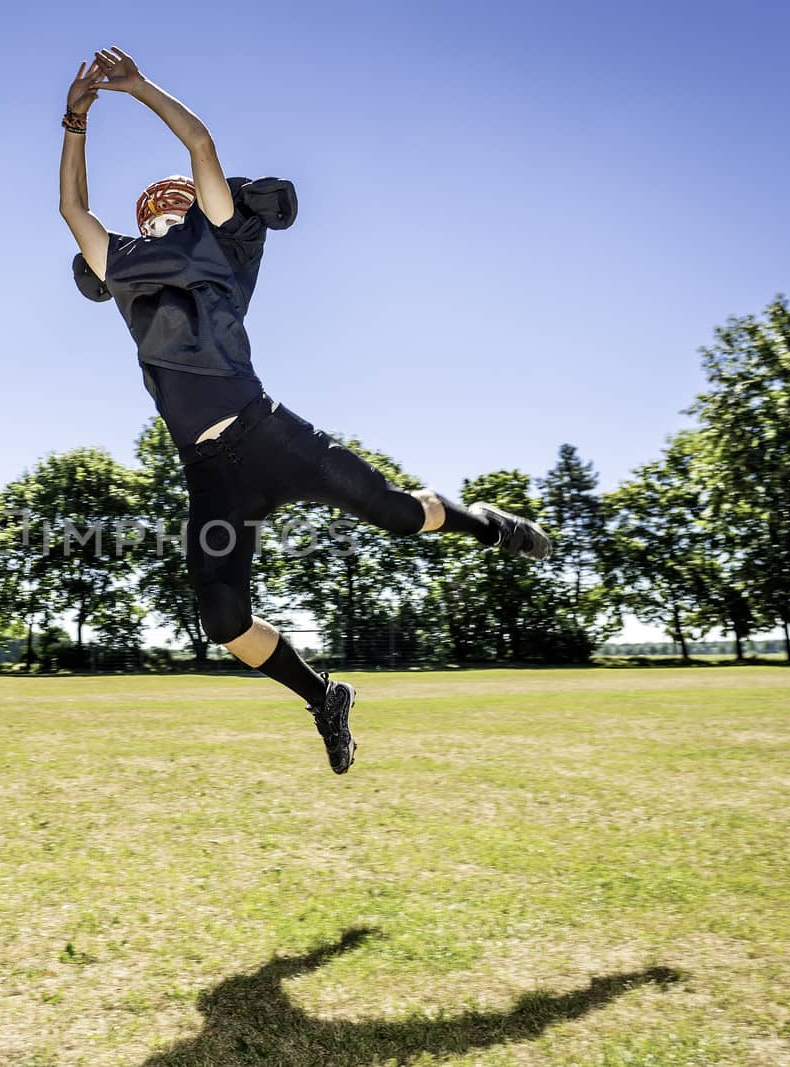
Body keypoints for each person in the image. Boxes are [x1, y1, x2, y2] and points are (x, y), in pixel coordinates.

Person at [58, 48, 552, 775]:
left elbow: (199, 144)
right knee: (224, 621)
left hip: (269, 434)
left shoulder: (222, 242)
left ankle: (487, 524)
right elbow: (72, 208)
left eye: (178, 195)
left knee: (396, 513)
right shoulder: (123, 268)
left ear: (194, 202)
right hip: (209, 471)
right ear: (140, 216)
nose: (166, 201)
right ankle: (324, 697)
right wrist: (75, 116)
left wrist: (133, 89)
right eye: (154, 200)